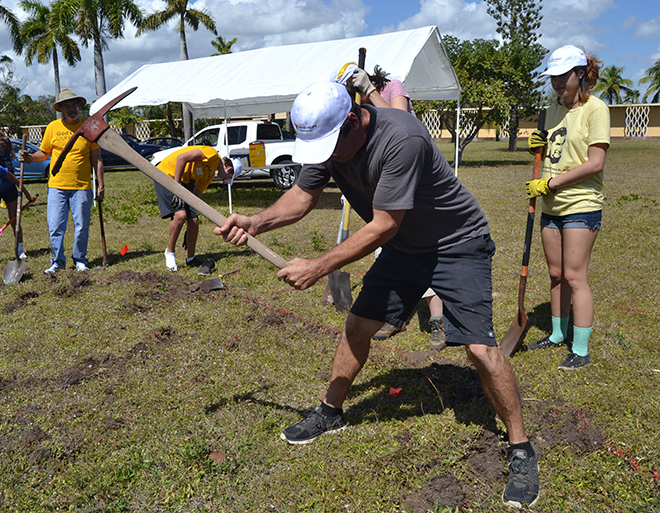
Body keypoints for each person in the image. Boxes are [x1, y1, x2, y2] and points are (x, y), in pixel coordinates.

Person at [214, 81, 539, 507]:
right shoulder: (332, 143)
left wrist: (319, 266)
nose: (327, 157)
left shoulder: (400, 138)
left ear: (354, 120)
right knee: (358, 325)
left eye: (332, 146)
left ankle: (520, 448)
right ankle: (330, 412)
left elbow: (384, 224)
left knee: (479, 349)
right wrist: (258, 222)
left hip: (457, 243)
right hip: (407, 247)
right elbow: (301, 195)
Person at [334, 63, 444, 349]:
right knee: (385, 253)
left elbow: (400, 120)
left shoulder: (392, 87)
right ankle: (394, 317)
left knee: (428, 259)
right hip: (382, 186)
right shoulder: (350, 111)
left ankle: (437, 321)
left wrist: (369, 92)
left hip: (413, 177)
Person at [525, 45, 609, 371]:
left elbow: (595, 162)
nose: (557, 82)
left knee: (575, 277)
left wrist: (552, 184)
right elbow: (555, 154)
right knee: (556, 274)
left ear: (580, 74)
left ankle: (581, 350)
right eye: (553, 77)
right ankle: (558, 334)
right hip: (551, 205)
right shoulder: (552, 109)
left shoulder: (596, 109)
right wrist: (539, 146)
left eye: (563, 75)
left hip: (580, 203)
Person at [18, 88, 105, 274]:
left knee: (81, 226)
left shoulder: (88, 128)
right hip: (56, 186)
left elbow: (96, 159)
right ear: (62, 109)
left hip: (82, 187)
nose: (72, 108)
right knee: (56, 225)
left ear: (79, 106)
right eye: (67, 106)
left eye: (74, 104)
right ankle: (58, 261)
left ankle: (80, 259)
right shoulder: (53, 127)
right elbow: (44, 153)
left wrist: (101, 184)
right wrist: (29, 158)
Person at [154, 145, 239, 274]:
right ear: (229, 168)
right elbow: (182, 158)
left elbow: (196, 196)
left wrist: (190, 222)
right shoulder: (212, 154)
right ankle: (170, 253)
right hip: (167, 174)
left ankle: (191, 258)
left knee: (193, 219)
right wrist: (176, 188)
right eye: (227, 177)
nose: (224, 179)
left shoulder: (210, 175)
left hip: (183, 181)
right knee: (180, 215)